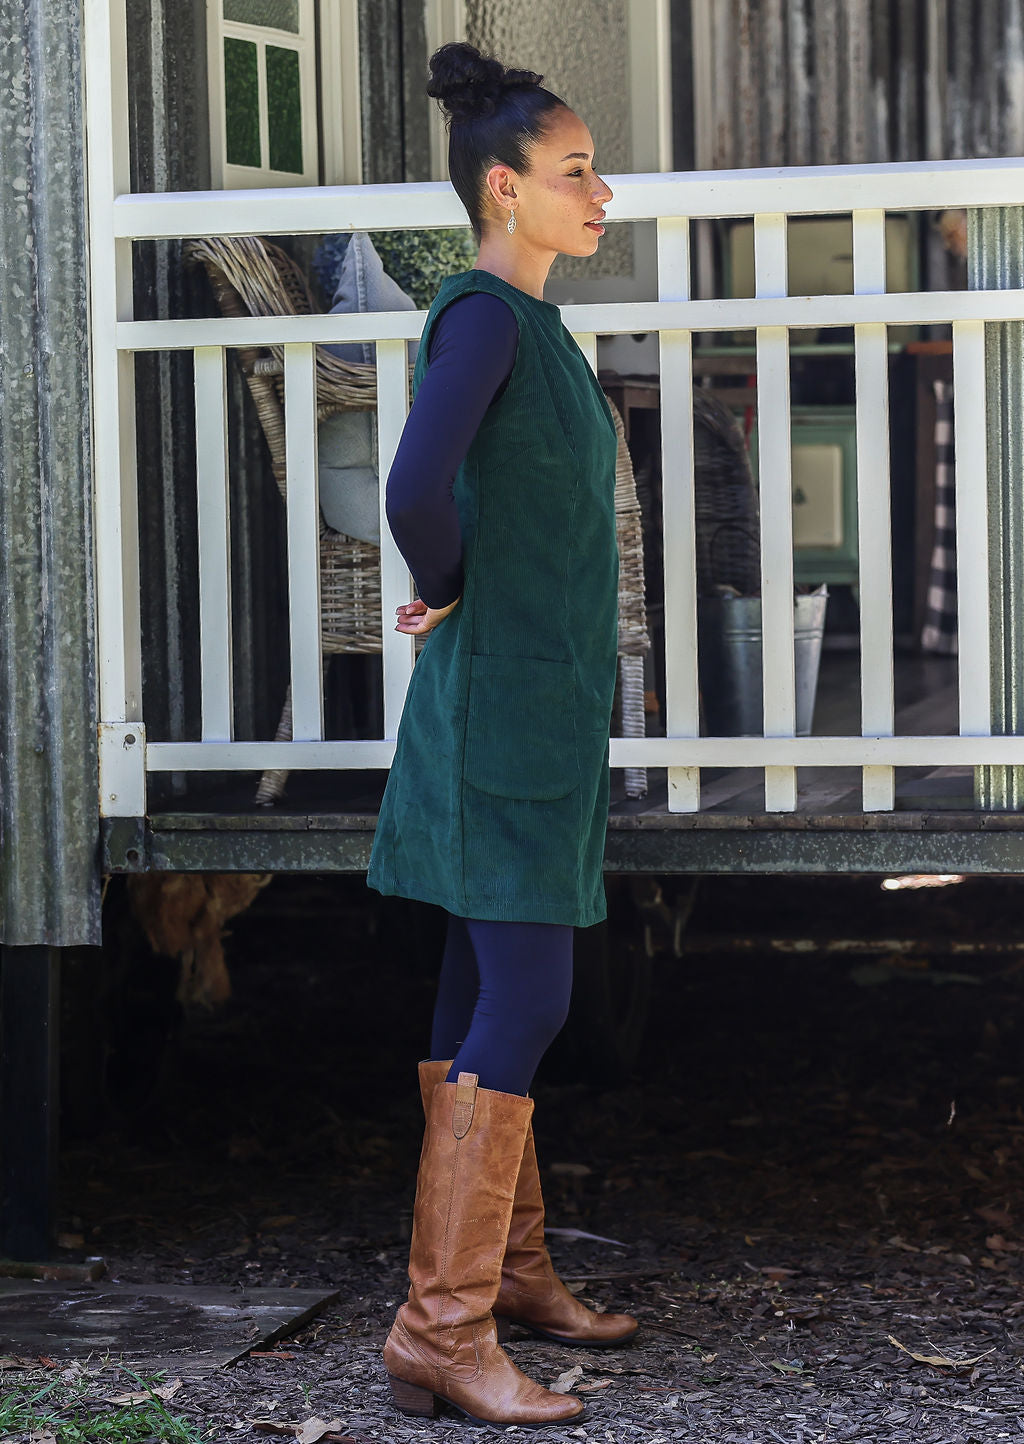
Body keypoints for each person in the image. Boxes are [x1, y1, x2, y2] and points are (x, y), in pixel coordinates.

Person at [366, 40, 638, 1428]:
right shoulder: (480, 313)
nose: (603, 194)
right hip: (501, 710)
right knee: (528, 1001)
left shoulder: (533, 325)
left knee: (475, 992)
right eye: (576, 172)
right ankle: (442, 1327)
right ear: (503, 187)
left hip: (528, 702)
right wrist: (447, 581)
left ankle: (514, 1279)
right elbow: (416, 479)